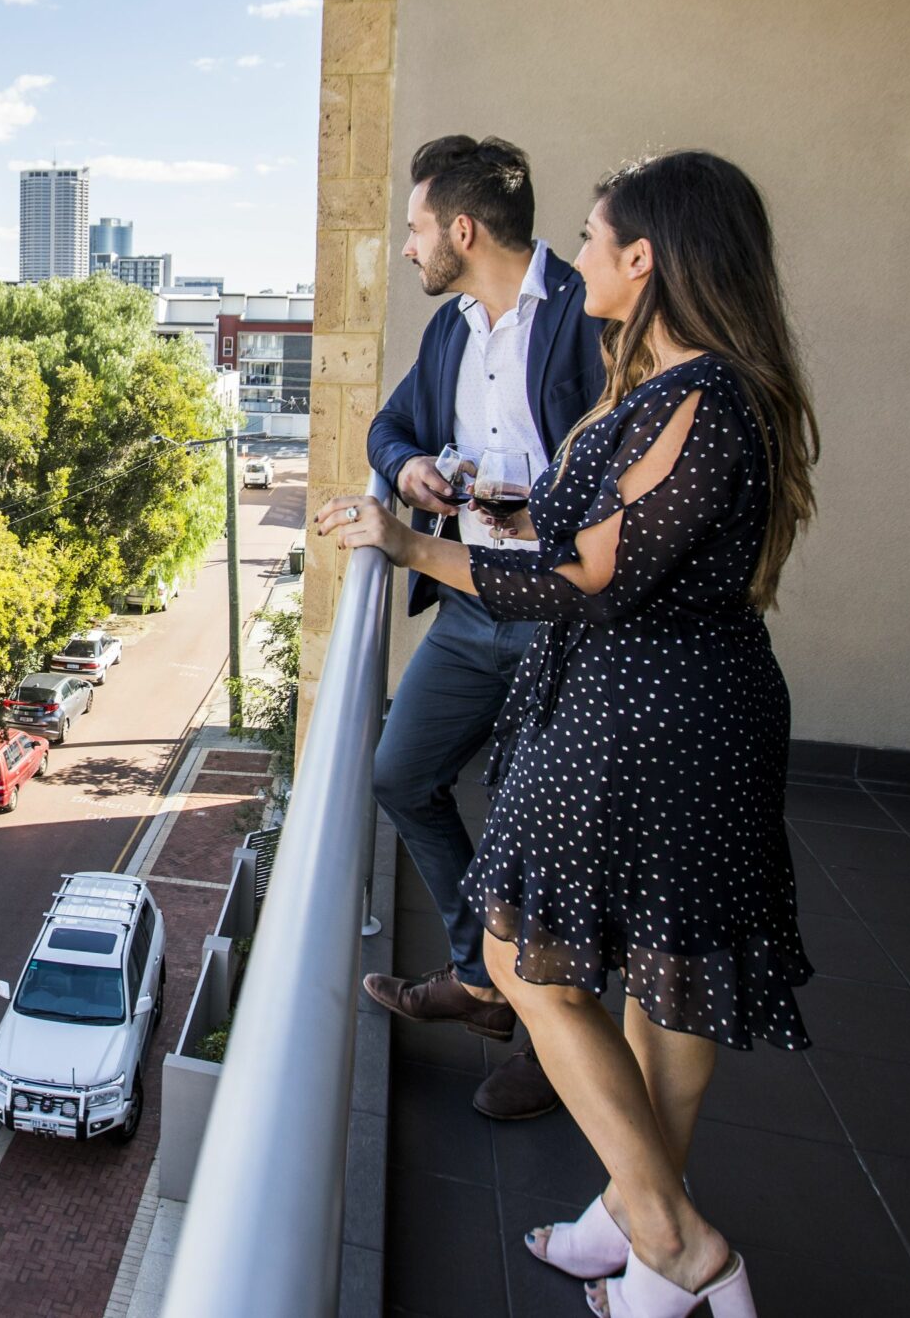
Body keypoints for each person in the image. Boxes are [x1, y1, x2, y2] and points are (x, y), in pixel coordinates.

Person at [318, 150, 818, 1318]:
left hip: (651, 718)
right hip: (638, 706)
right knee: (656, 977)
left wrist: (409, 549)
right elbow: (562, 513)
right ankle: (637, 1227)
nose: (577, 255)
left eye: (595, 239)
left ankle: (676, 1241)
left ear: (643, 261)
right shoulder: (666, 381)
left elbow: (585, 577)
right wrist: (441, 495)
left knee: (532, 958)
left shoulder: (704, 399)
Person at [360, 134, 605, 1123]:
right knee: (397, 773)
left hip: (560, 621)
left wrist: (539, 510)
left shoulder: (588, 317)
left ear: (462, 229)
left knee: (539, 833)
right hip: (467, 606)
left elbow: (623, 479)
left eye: (415, 228)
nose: (407, 247)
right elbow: (386, 430)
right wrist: (413, 471)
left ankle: (555, 1043)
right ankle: (481, 979)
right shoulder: (453, 331)